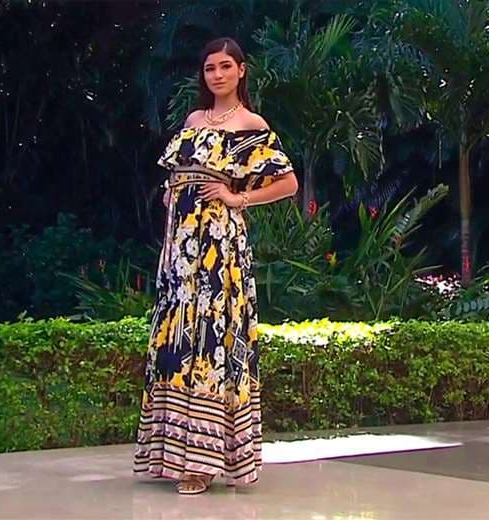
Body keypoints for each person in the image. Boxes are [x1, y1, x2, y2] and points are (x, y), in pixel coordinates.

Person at [132, 36, 299, 495]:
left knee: (210, 337)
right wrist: (172, 195)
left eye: (226, 66)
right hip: (181, 245)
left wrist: (236, 197)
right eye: (210, 68)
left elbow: (287, 183)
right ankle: (171, 453)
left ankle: (203, 463)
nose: (218, 75)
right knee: (177, 338)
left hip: (219, 245)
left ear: (241, 71)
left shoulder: (251, 125)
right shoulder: (193, 121)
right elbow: (176, 175)